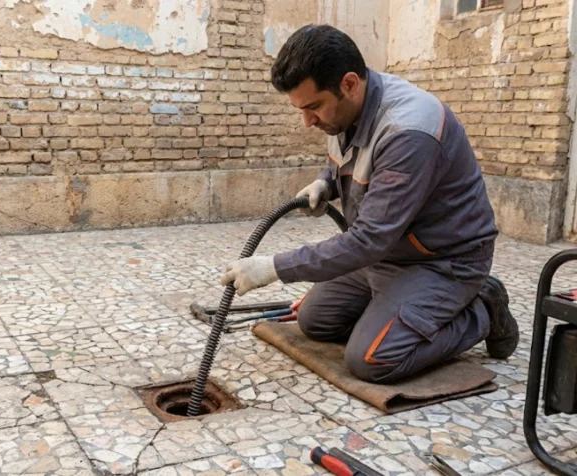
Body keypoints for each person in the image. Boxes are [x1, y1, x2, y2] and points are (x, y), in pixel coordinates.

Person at [220, 24, 519, 384]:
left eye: (313, 107)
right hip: (388, 253)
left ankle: (484, 308)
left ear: (348, 83)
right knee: (315, 321)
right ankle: (396, 310)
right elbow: (345, 158)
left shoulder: (409, 131)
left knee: (372, 359)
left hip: (441, 261)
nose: (306, 121)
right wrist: (325, 183)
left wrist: (274, 267)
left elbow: (366, 240)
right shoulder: (349, 109)